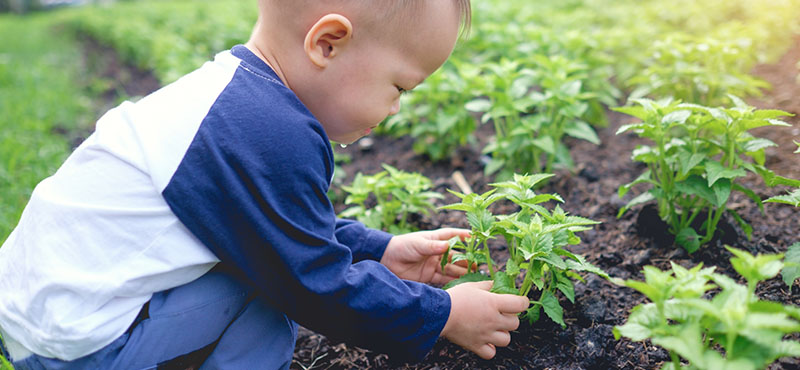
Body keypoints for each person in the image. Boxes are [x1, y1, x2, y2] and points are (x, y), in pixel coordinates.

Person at [0, 0, 530, 368]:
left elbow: (271, 225)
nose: (394, 109)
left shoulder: (234, 99)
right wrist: (443, 315)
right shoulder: (270, 131)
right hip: (80, 344)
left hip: (44, 319)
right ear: (327, 43)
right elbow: (310, 281)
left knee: (265, 266)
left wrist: (381, 250)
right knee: (272, 299)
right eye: (398, 87)